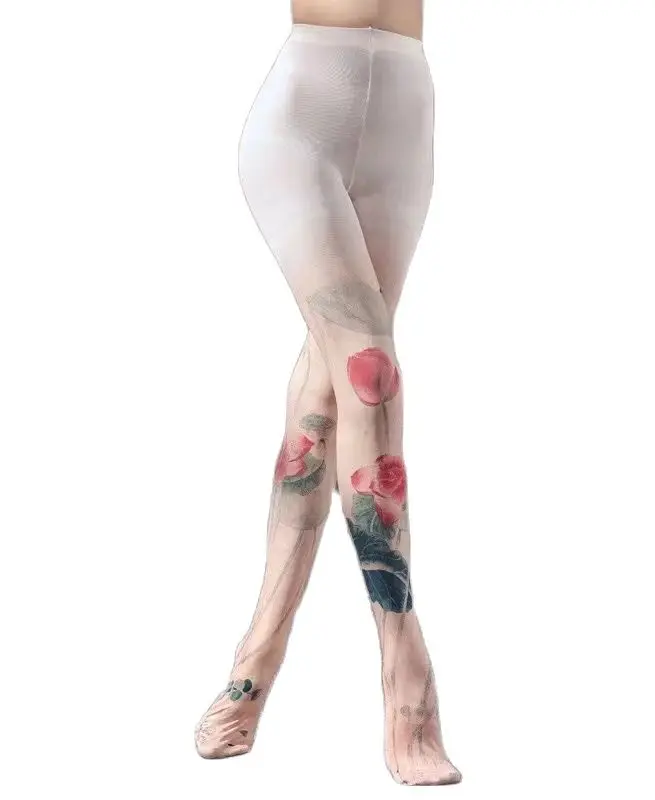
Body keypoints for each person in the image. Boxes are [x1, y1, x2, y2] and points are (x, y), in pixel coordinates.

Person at [194, 0, 461, 785]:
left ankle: (257, 657)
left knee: (330, 383)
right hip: (303, 121)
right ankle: (405, 667)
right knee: (369, 370)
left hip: (405, 122)